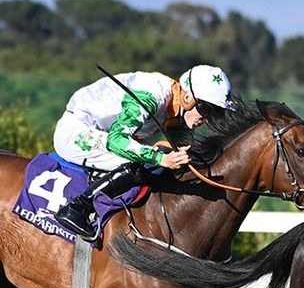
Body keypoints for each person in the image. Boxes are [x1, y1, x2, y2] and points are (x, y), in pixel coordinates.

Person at [52, 64, 235, 241]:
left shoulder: (179, 109)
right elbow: (117, 140)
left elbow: (182, 149)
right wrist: (160, 158)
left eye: (217, 113)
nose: (207, 119)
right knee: (143, 164)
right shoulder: (150, 96)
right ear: (188, 98)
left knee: (161, 167)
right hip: (76, 132)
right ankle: (78, 208)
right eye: (207, 110)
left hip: (105, 133)